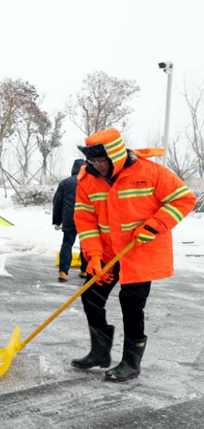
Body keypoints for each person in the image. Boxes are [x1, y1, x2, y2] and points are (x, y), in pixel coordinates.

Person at [72, 128, 195, 382]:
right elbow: (85, 220)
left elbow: (184, 199)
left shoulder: (151, 172)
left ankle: (130, 363)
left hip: (139, 253)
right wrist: (93, 255)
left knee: (131, 306)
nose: (97, 165)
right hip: (107, 254)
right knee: (91, 296)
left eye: (101, 160)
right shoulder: (87, 179)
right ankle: (100, 352)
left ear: (115, 156)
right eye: (92, 160)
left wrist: (154, 225)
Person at [52, 159, 88, 282]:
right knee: (86, 245)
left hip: (69, 219)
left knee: (67, 244)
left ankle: (63, 272)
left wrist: (57, 221)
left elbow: (57, 202)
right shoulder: (90, 182)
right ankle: (84, 270)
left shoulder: (65, 183)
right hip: (86, 220)